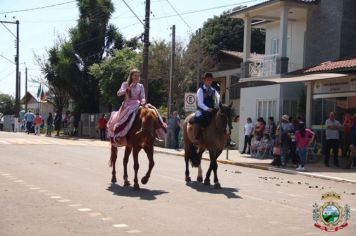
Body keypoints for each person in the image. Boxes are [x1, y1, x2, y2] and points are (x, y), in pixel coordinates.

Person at [107, 68, 146, 146]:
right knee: (128, 116)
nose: (137, 77)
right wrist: (128, 89)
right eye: (135, 76)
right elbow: (118, 93)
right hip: (128, 105)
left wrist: (143, 101)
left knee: (151, 112)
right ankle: (120, 135)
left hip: (137, 104)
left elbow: (142, 96)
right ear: (131, 76)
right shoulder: (125, 84)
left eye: (138, 76)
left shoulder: (141, 86)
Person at [189, 72, 220, 144]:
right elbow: (200, 103)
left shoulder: (214, 91)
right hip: (201, 110)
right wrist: (207, 109)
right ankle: (195, 137)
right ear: (205, 80)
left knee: (222, 117)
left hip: (212, 110)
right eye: (208, 80)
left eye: (211, 80)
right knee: (198, 117)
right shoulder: (200, 90)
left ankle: (225, 138)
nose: (209, 81)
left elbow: (217, 100)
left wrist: (216, 106)